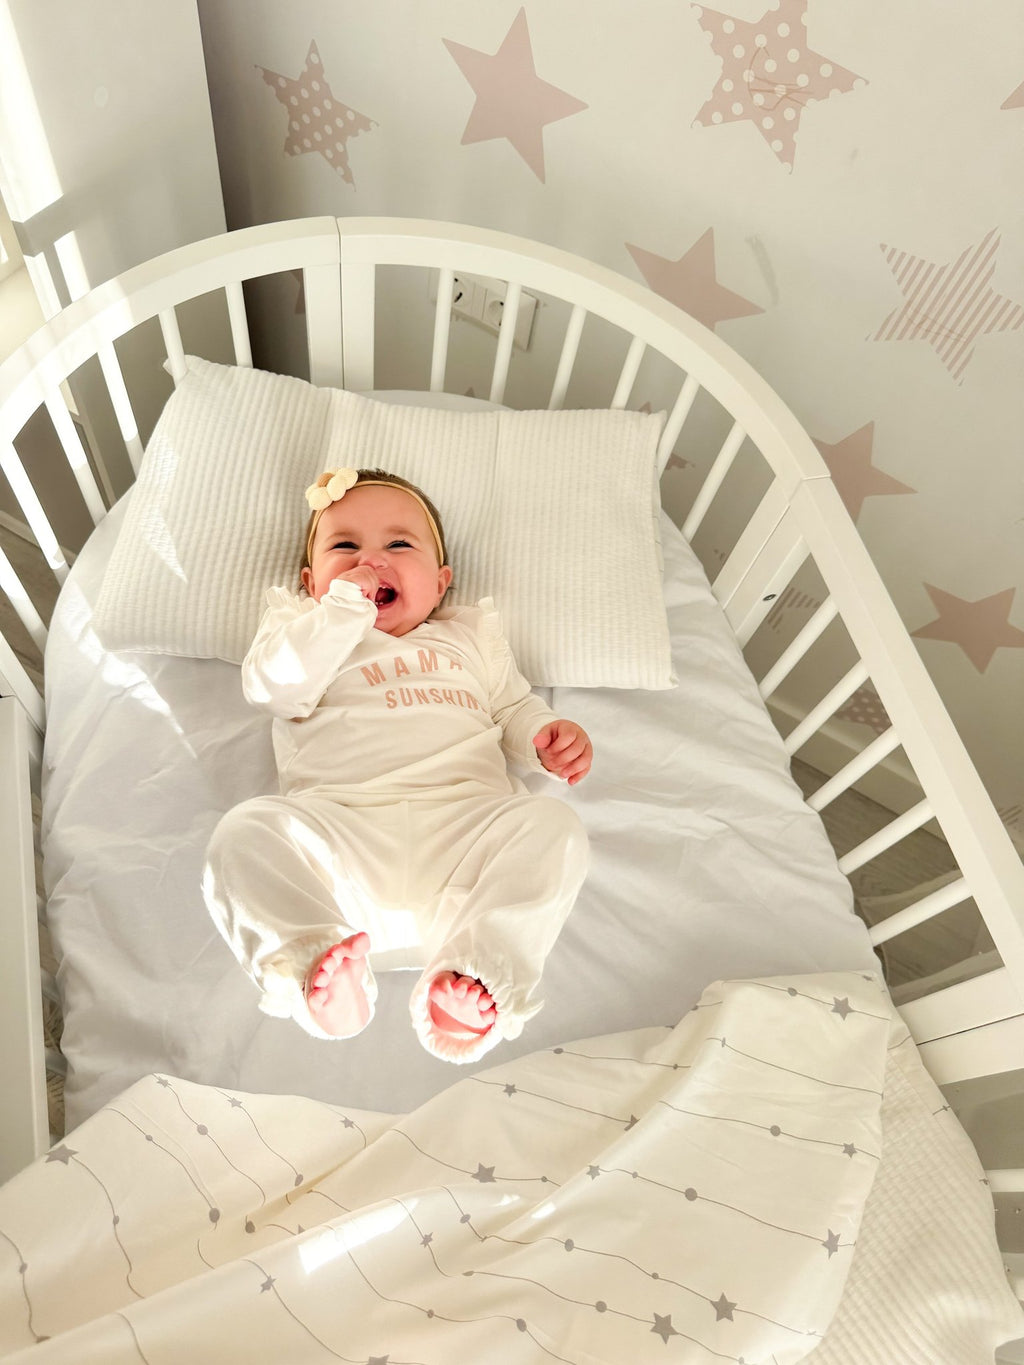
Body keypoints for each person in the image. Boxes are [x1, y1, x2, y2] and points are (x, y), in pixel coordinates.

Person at [202, 467, 592, 1063]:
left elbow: (511, 704)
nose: (372, 561)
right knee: (244, 833)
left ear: (440, 583)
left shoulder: (467, 638)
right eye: (345, 547)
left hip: (465, 834)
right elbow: (274, 690)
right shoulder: (303, 632)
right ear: (311, 583)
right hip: (341, 837)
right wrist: (338, 614)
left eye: (399, 544)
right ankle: (320, 971)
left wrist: (544, 733)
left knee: (553, 827)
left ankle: (471, 979)